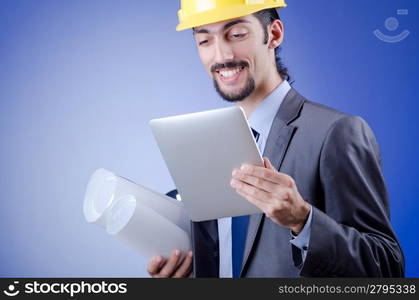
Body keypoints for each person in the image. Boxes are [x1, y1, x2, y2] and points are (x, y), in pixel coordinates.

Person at [147, 0, 404, 277]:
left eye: (237, 34)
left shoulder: (336, 132)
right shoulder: (204, 146)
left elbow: (386, 267)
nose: (221, 55)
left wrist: (303, 220)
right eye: (205, 40)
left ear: (274, 34)